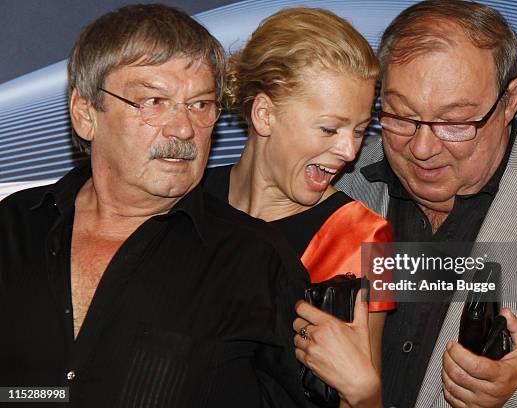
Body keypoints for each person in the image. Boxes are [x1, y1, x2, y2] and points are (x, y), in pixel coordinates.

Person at [0, 5, 310, 407]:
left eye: (200, 105)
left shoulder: (257, 262)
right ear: (85, 115)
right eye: (153, 101)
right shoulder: (12, 229)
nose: (184, 129)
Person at [334, 0, 517, 407]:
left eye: (454, 123)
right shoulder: (341, 178)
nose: (422, 148)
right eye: (400, 115)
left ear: (510, 99)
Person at [202, 8, 393, 408]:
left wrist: (365, 392)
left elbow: (361, 391)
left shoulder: (362, 236)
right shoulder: (190, 199)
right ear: (265, 114)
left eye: (359, 130)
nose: (349, 151)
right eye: (330, 128)